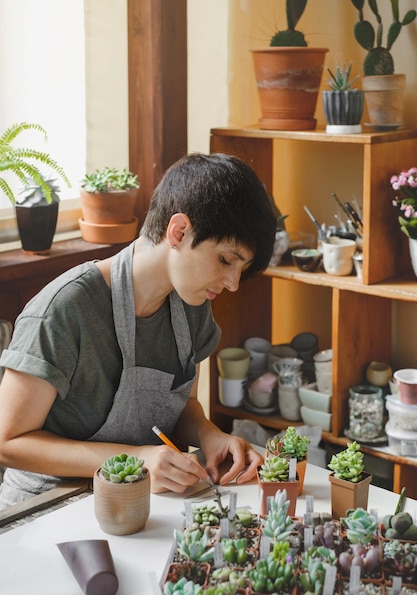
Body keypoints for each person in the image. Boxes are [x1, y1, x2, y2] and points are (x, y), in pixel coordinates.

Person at [0, 152, 277, 508]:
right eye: (226, 260)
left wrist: (210, 435)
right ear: (178, 231)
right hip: (43, 508)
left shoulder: (192, 307)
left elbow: (181, 406)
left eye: (241, 269)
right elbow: (9, 441)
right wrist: (132, 460)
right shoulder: (64, 309)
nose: (233, 283)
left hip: (135, 504)